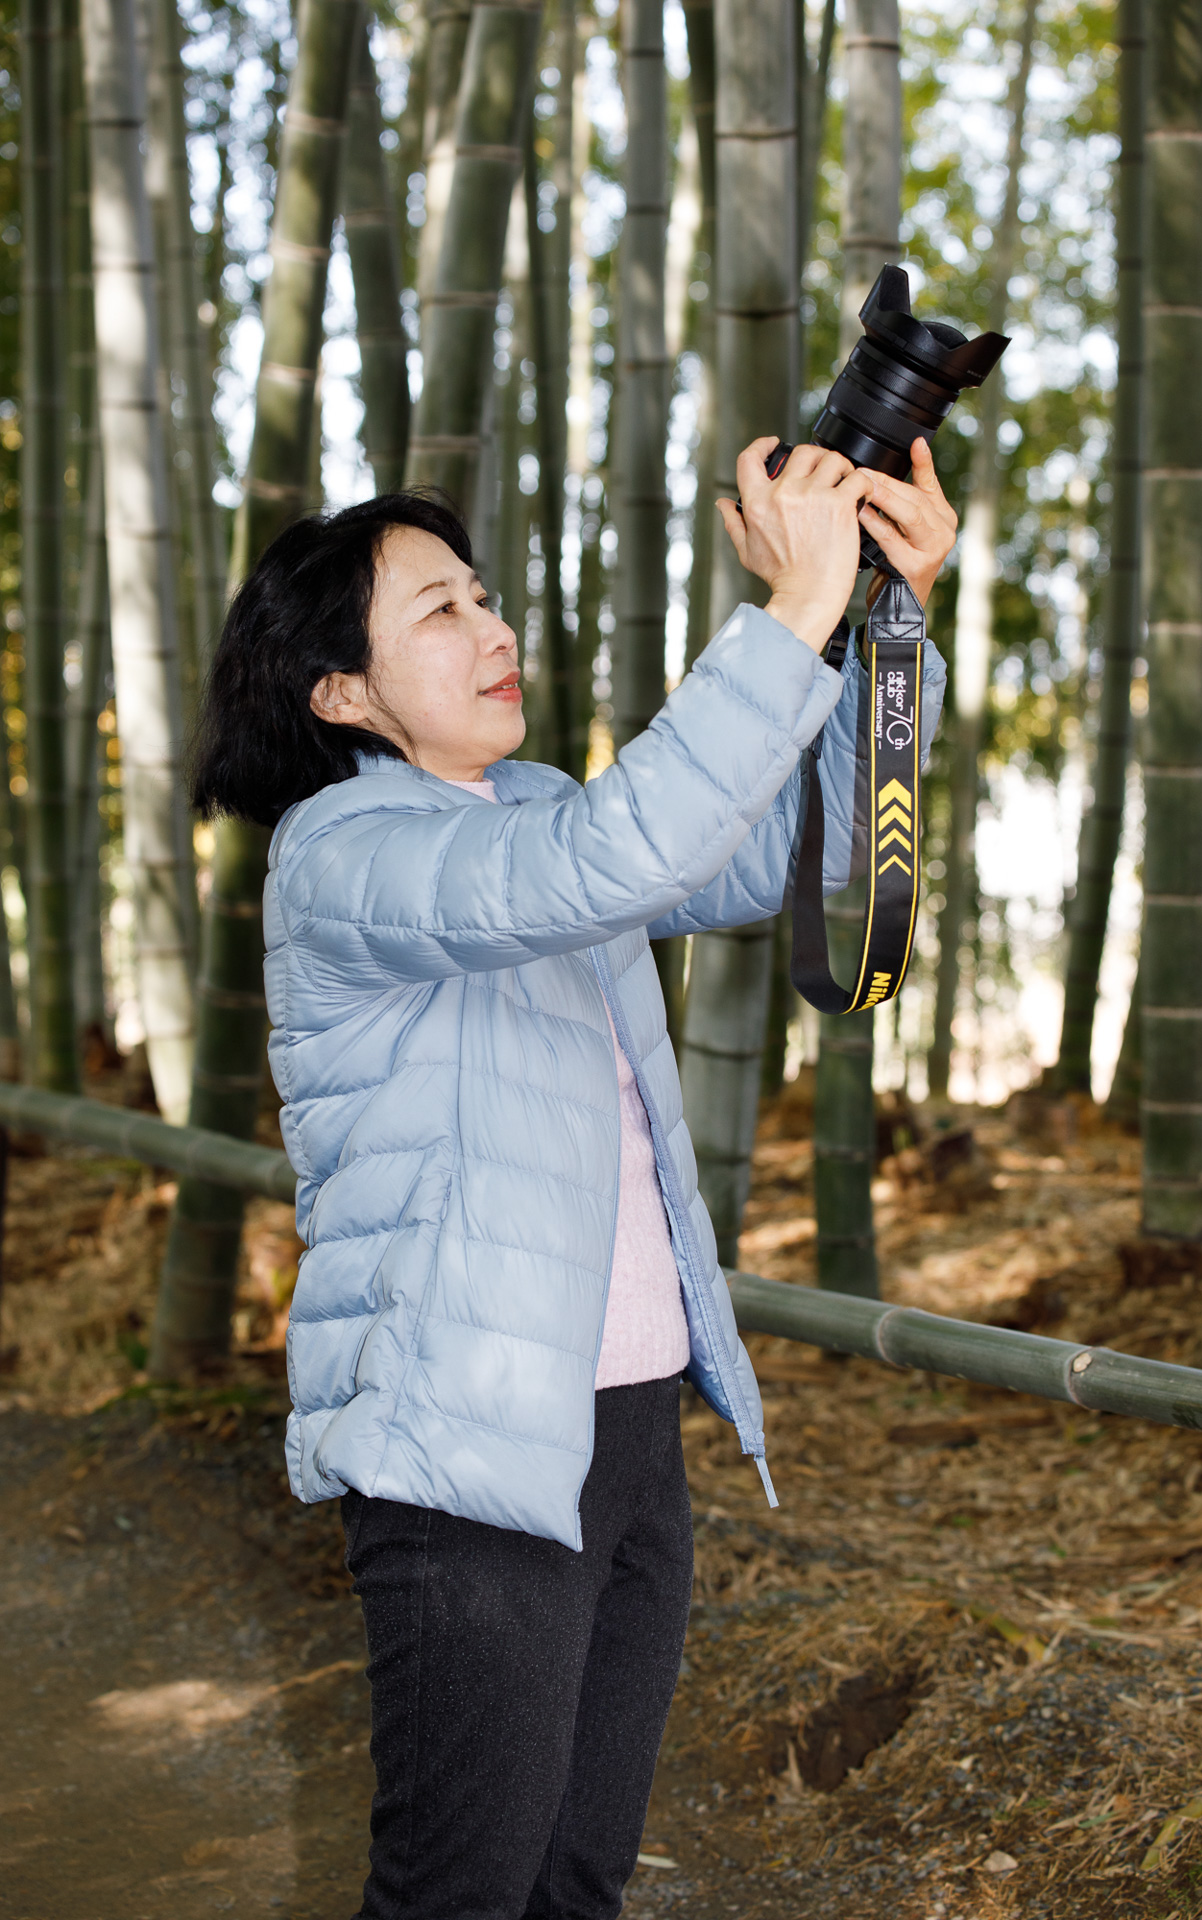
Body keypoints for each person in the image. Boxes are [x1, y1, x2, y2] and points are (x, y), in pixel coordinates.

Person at [192, 435, 956, 1920]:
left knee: (577, 1880)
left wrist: (879, 616)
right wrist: (787, 610)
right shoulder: (342, 855)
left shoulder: (529, 802)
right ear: (339, 693)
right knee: (460, 1890)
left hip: (629, 1427)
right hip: (467, 1448)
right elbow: (617, 858)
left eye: (483, 595)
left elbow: (766, 855)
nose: (493, 628)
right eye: (439, 611)